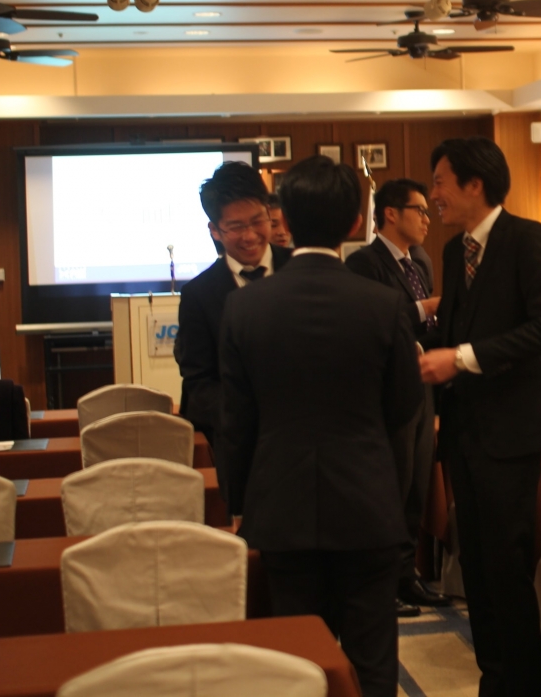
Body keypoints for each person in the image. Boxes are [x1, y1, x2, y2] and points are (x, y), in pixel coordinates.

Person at [217, 155, 423, 697]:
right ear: (355, 222)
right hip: (367, 503)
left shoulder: (244, 307)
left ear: (282, 218)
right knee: (373, 661)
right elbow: (405, 405)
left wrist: (238, 503)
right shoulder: (384, 305)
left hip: (280, 506)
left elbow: (236, 421)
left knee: (295, 664)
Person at [417, 137, 541, 697]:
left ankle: (522, 684)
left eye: (439, 182)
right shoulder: (454, 252)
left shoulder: (528, 240)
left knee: (506, 564)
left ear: (474, 184)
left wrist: (458, 358)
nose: (434, 194)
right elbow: (458, 327)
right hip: (463, 430)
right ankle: (494, 678)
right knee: (475, 566)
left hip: (511, 431)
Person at [345, 178, 451, 615]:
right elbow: (372, 323)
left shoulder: (419, 262)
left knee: (415, 487)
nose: (427, 219)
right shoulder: (363, 264)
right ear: (390, 213)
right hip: (386, 393)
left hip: (422, 384)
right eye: (419, 210)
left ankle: (407, 576)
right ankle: (380, 582)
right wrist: (427, 307)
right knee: (390, 486)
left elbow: (427, 329)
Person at [175, 162, 292, 446]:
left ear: (270, 214)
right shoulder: (198, 295)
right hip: (237, 440)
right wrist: (248, 417)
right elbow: (199, 381)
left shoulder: (300, 268)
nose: (250, 236)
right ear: (215, 230)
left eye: (257, 221)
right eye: (236, 227)